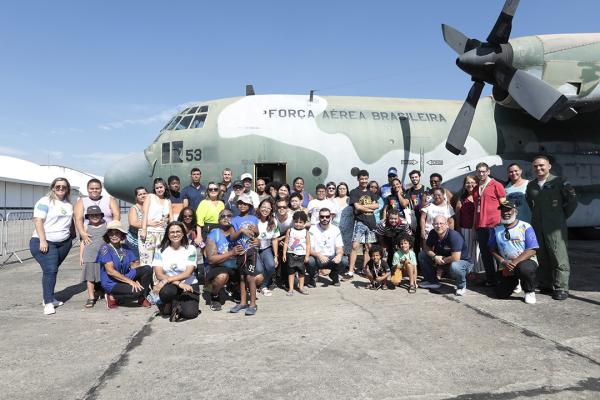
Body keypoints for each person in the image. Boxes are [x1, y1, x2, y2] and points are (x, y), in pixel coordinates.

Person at [526, 155, 577, 300]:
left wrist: (559, 217)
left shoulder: (559, 182)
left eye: (542, 165)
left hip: (555, 227)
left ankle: (561, 287)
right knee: (542, 256)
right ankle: (546, 283)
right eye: (535, 166)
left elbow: (572, 201)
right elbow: (531, 203)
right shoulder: (531, 185)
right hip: (537, 226)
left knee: (558, 255)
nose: (538, 168)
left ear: (549, 166)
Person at [30, 177, 74, 315]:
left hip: (64, 243)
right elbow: (38, 220)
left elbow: (70, 222)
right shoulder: (45, 201)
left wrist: (72, 237)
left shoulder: (68, 204)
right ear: (53, 188)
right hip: (45, 242)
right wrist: (43, 240)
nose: (61, 189)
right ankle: (48, 302)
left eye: (64, 187)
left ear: (67, 189)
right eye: (58, 186)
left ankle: (49, 296)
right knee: (50, 270)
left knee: (52, 271)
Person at [488, 200, 539, 304]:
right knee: (500, 293)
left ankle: (529, 291)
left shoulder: (525, 226)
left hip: (525, 261)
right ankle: (516, 281)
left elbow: (532, 250)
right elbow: (492, 249)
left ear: (515, 211)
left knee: (524, 269)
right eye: (503, 210)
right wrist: (503, 262)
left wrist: (513, 263)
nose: (505, 212)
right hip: (506, 264)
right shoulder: (496, 229)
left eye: (508, 210)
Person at [97, 221, 153, 310]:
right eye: (111, 234)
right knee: (138, 291)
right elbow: (110, 271)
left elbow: (135, 264)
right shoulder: (105, 249)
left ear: (121, 235)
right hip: (111, 282)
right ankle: (112, 296)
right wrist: (131, 282)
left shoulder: (125, 247)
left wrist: (137, 279)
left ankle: (142, 297)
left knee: (147, 269)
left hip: (124, 276)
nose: (114, 236)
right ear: (107, 235)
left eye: (116, 233)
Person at [152, 221, 200, 321]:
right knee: (166, 293)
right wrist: (179, 284)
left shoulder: (191, 249)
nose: (175, 234)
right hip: (171, 286)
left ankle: (176, 303)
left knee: (190, 314)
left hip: (189, 284)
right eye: (172, 232)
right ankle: (170, 302)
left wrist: (169, 280)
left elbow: (188, 273)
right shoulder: (160, 251)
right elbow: (159, 274)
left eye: (178, 231)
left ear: (183, 233)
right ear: (167, 234)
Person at [418, 216, 473, 295]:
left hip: (462, 262)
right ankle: (432, 281)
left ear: (447, 225)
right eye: (436, 224)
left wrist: (441, 260)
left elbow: (456, 257)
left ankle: (461, 286)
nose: (439, 226)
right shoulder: (433, 233)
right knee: (422, 255)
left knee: (455, 266)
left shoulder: (454, 236)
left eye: (441, 223)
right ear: (433, 225)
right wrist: (435, 257)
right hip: (443, 260)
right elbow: (426, 248)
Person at [229, 194, 263, 315]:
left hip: (251, 251)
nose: (242, 205)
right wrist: (241, 230)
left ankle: (253, 304)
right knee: (242, 277)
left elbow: (257, 233)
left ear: (249, 206)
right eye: (240, 203)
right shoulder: (234, 220)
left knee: (250, 277)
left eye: (245, 204)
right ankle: (243, 302)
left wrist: (255, 231)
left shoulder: (254, 218)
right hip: (240, 251)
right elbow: (232, 237)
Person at [473, 162, 506, 286]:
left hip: (495, 225)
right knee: (485, 253)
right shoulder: (476, 188)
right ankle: (490, 279)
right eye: (479, 171)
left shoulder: (496, 185)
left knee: (497, 252)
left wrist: (505, 224)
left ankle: (502, 278)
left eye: (483, 171)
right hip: (481, 225)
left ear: (488, 171)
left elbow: (504, 204)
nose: (481, 174)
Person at [205, 210, 245, 311]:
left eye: (229, 216)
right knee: (222, 277)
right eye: (223, 216)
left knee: (257, 277)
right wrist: (231, 253)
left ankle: (234, 288)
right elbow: (211, 260)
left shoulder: (239, 232)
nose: (226, 218)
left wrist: (256, 242)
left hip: (235, 266)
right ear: (219, 220)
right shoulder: (214, 235)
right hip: (218, 266)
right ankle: (214, 295)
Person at [346, 170, 379, 278]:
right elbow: (357, 207)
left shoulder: (371, 193)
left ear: (367, 179)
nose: (364, 181)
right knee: (355, 245)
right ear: (358, 179)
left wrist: (362, 207)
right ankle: (350, 271)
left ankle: (365, 269)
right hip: (360, 222)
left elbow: (377, 206)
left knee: (368, 247)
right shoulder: (354, 192)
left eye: (365, 179)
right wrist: (368, 208)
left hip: (371, 223)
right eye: (361, 179)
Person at [307, 208, 346, 287]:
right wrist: (319, 255)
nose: (324, 218)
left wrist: (339, 255)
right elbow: (310, 248)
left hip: (331, 258)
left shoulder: (335, 229)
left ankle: (334, 275)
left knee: (344, 260)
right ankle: (313, 276)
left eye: (327, 216)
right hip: (317, 258)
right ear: (319, 217)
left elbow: (339, 247)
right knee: (309, 261)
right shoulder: (313, 229)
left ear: (330, 217)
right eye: (322, 216)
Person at [74, 178, 120, 245]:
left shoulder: (110, 200)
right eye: (91, 188)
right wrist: (82, 233)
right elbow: (78, 219)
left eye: (97, 188)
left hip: (108, 234)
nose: (94, 190)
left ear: (101, 189)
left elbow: (116, 215)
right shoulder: (81, 201)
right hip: (89, 235)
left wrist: (113, 229)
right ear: (87, 189)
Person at [139, 178, 171, 266]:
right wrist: (144, 229)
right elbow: (144, 214)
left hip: (162, 234)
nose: (159, 189)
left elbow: (170, 218)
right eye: (157, 188)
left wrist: (166, 220)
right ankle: (146, 280)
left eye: (161, 187)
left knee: (159, 261)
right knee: (146, 261)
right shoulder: (150, 197)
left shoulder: (168, 201)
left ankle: (157, 280)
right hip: (149, 233)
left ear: (165, 187)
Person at [454, 176, 483, 274]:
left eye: (473, 182)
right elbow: (457, 215)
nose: (470, 185)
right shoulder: (462, 198)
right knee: (468, 251)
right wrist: (458, 230)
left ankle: (478, 271)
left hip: (479, 228)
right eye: (467, 182)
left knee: (478, 251)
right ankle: (469, 272)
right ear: (464, 185)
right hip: (465, 229)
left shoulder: (480, 196)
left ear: (477, 184)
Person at [79, 205, 107, 308]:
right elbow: (83, 242)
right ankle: (91, 297)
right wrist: (81, 257)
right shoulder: (86, 227)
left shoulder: (106, 225)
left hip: (104, 256)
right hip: (89, 255)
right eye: (92, 215)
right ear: (88, 217)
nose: (95, 216)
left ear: (101, 215)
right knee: (90, 278)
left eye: (97, 214)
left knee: (104, 275)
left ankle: (106, 293)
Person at [255, 198, 280, 296]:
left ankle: (263, 286)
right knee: (259, 269)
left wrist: (276, 256)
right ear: (259, 208)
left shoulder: (273, 221)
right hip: (254, 249)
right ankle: (253, 285)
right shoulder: (254, 219)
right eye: (263, 207)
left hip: (266, 248)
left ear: (271, 210)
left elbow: (274, 239)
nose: (265, 210)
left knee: (271, 266)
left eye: (268, 208)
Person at [283, 211, 310, 295]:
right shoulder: (290, 230)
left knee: (301, 273)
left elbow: (308, 245)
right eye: (296, 222)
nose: (298, 224)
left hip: (301, 255)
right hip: (291, 254)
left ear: (304, 223)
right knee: (291, 272)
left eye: (300, 222)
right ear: (293, 221)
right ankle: (291, 289)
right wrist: (284, 254)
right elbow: (286, 243)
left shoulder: (306, 232)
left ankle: (301, 288)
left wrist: (307, 256)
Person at [404, 170, 428, 254]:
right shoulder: (409, 191)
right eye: (412, 177)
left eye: (416, 177)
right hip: (415, 219)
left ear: (419, 177)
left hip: (425, 219)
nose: (414, 179)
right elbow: (405, 203)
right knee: (416, 243)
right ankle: (418, 264)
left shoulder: (426, 189)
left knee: (426, 242)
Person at [195, 181, 225, 246]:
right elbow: (199, 222)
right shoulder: (203, 203)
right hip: (207, 231)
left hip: (220, 230)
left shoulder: (221, 204)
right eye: (210, 189)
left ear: (218, 191)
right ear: (207, 191)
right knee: (208, 254)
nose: (213, 190)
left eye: (215, 189)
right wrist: (199, 236)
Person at [124, 186, 147, 259]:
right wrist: (149, 223)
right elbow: (133, 223)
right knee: (136, 264)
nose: (142, 196)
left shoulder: (151, 207)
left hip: (146, 242)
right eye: (140, 194)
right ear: (136, 197)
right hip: (134, 243)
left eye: (144, 193)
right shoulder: (134, 208)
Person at [334, 182, 353, 258]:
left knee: (347, 246)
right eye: (340, 188)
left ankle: (348, 263)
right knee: (337, 244)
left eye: (344, 188)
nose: (342, 190)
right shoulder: (334, 200)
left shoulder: (350, 200)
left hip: (348, 226)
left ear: (347, 190)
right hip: (335, 225)